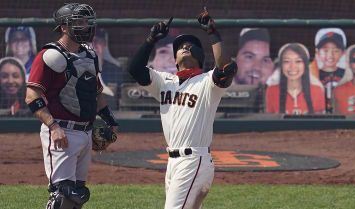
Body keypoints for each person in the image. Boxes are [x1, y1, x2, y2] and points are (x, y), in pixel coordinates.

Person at [128, 9, 237, 209]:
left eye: (191, 45)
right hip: (173, 164)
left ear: (200, 56)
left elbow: (225, 68)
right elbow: (134, 69)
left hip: (194, 160)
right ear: (175, 60)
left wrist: (213, 32)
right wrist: (151, 39)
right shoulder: (164, 82)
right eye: (179, 47)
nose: (185, 46)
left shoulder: (207, 83)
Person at [25, 3, 119, 209]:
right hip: (61, 132)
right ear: (64, 27)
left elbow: (96, 93)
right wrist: (53, 127)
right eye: (78, 22)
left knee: (77, 197)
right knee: (62, 196)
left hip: (85, 132)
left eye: (86, 21)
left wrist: (111, 121)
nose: (84, 26)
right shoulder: (49, 56)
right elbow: (32, 96)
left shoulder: (90, 55)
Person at [266, 43, 325, 115]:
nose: (292, 67)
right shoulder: (271, 91)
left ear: (305, 65)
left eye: (298, 61)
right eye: (287, 61)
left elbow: (319, 123)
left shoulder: (317, 90)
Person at [310, 28, 347, 113]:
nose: (330, 55)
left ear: (342, 53)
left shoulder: (347, 73)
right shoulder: (312, 73)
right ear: (318, 52)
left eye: (336, 51)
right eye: (325, 50)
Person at [90, 28, 124, 109]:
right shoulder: (77, 67)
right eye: (90, 42)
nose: (94, 45)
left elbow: (121, 100)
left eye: (97, 41)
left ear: (104, 43)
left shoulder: (115, 70)